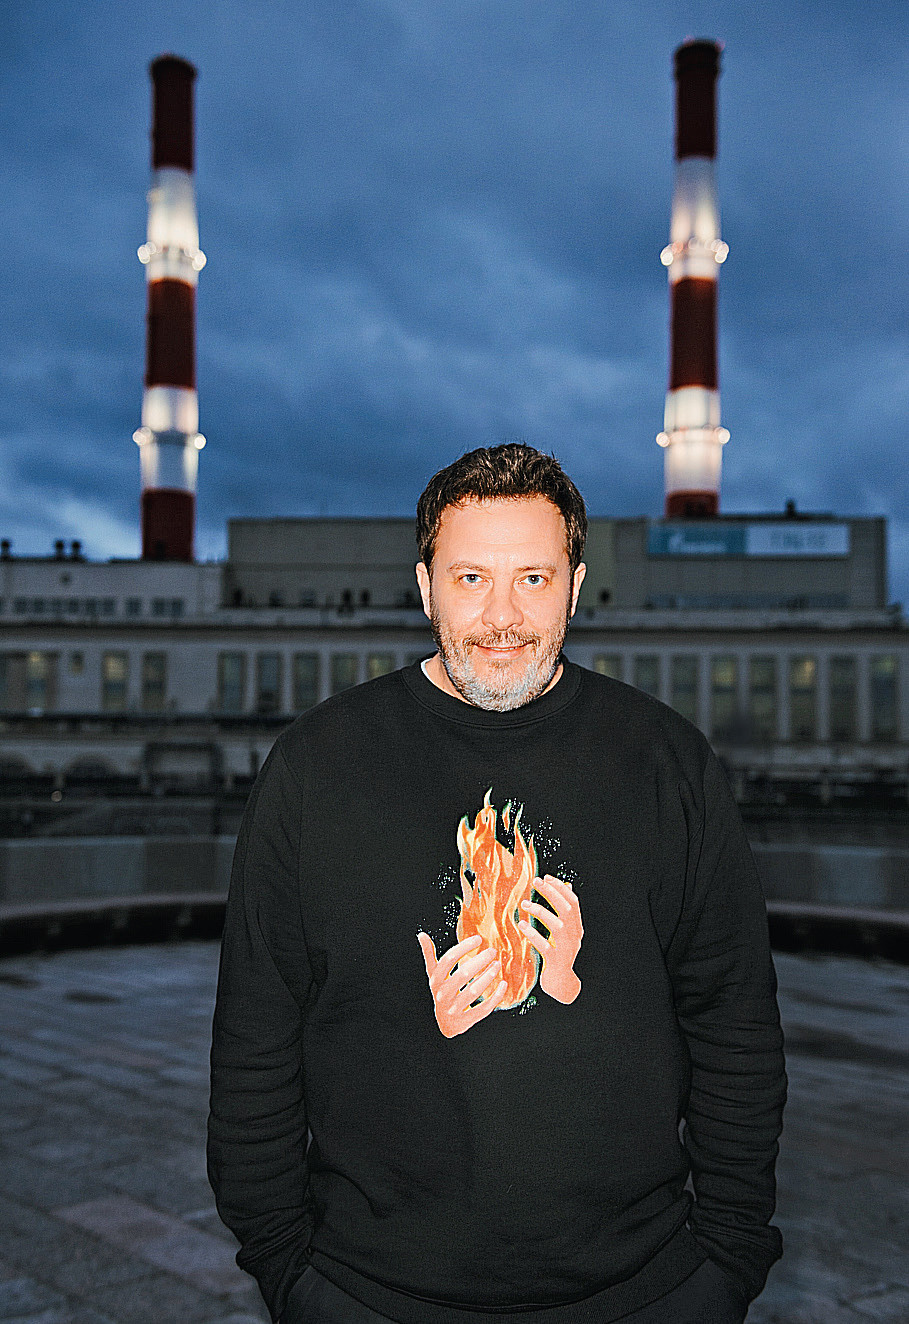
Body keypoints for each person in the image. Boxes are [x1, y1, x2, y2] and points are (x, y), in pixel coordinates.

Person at [208, 443, 786, 1324]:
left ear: (575, 586)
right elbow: (256, 1035)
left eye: (533, 579)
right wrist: (287, 1269)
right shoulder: (316, 766)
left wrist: (727, 1259)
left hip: (648, 1289)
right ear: (424, 585)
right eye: (471, 578)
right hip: (367, 1292)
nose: (502, 616)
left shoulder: (665, 763)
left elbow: (733, 1023)